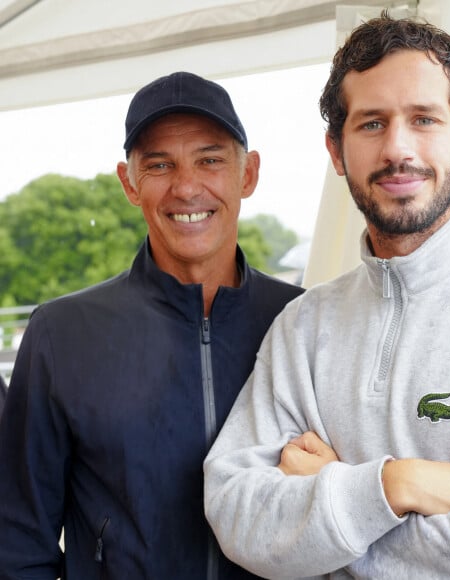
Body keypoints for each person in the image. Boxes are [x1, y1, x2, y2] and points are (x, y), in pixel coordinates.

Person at [204, 13, 450, 579]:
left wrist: (335, 510)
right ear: (337, 151)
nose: (397, 149)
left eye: (424, 119)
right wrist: (400, 483)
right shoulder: (302, 327)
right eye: (372, 124)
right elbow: (235, 512)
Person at [0, 71, 303, 579]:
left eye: (210, 160)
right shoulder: (61, 333)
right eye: (159, 164)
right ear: (129, 182)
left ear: (247, 173)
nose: (186, 187)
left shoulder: (303, 323)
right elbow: (17, 541)